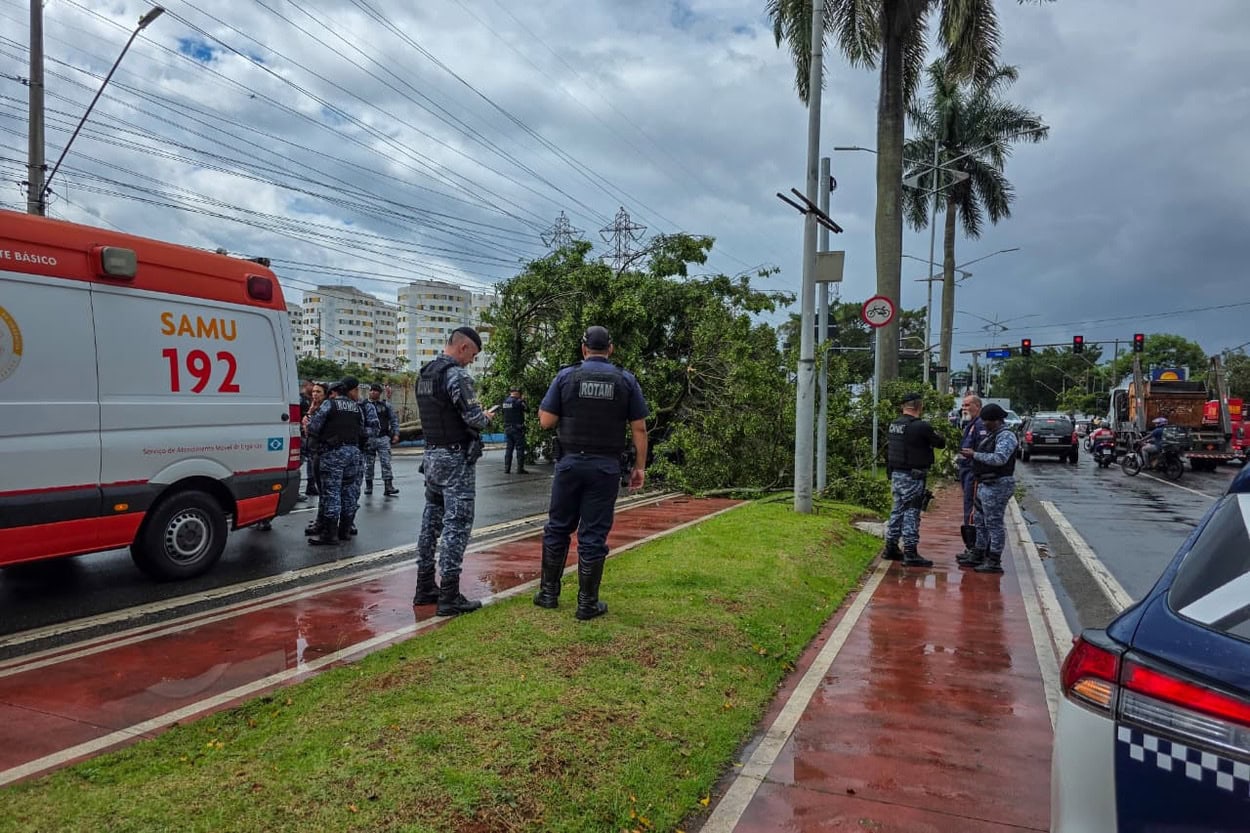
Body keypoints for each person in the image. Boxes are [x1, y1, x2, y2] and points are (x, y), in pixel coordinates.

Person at [532, 325, 648, 620]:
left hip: (569, 464)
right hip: (605, 467)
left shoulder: (566, 377)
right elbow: (639, 428)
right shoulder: (625, 381)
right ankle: (587, 603)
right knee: (593, 533)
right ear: (611, 349)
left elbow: (545, 421)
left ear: (583, 349)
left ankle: (548, 594)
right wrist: (639, 468)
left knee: (558, 526)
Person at [413, 327, 497, 616]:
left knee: (431, 522)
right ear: (462, 347)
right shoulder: (456, 375)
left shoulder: (425, 374)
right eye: (472, 355)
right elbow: (473, 418)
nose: (471, 361)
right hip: (454, 458)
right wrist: (485, 417)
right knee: (456, 524)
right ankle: (449, 594)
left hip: (432, 456)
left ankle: (424, 586)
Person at [305, 377, 377, 546]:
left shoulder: (330, 404)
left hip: (334, 453)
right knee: (349, 493)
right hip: (354, 453)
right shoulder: (357, 407)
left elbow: (314, 427)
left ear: (334, 393)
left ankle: (330, 534)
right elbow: (362, 430)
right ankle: (344, 531)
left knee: (332, 493)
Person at [883, 392, 947, 567]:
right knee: (912, 512)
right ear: (919, 406)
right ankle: (910, 551)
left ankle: (891, 546)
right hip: (913, 476)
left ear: (903, 406)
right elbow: (940, 443)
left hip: (896, 474)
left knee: (897, 510)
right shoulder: (921, 426)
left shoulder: (894, 424)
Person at [959, 403, 1020, 574]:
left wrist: (975, 454)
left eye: (987, 421)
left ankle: (994, 559)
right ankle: (979, 552)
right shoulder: (994, 435)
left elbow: (999, 458)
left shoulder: (1006, 436)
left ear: (997, 420)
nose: (984, 424)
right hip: (985, 483)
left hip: (998, 484)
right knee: (980, 520)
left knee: (993, 523)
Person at [955, 394, 989, 562]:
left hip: (973, 472)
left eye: (967, 405)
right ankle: (972, 547)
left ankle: (975, 548)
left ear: (977, 406)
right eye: (963, 405)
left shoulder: (980, 424)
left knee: (972, 510)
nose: (964, 408)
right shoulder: (971, 424)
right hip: (966, 471)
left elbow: (982, 450)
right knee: (968, 507)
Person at [302, 382, 329, 537]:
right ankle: (321, 519)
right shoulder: (314, 408)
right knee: (321, 489)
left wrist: (309, 416)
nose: (315, 394)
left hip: (323, 453)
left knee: (325, 490)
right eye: (313, 392)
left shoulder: (325, 409)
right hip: (314, 451)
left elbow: (311, 428)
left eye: (318, 391)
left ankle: (324, 522)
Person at [365, 383, 401, 497]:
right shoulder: (364, 405)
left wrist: (396, 434)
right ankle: (368, 485)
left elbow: (394, 420)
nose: (373, 392)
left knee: (386, 462)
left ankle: (388, 486)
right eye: (371, 390)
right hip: (369, 438)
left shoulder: (386, 406)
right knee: (369, 464)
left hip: (383, 437)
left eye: (375, 391)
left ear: (380, 393)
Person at [501, 386, 529, 474]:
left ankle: (507, 468)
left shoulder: (505, 402)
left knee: (509, 449)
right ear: (517, 393)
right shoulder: (519, 402)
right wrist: (523, 400)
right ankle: (520, 469)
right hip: (517, 428)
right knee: (520, 448)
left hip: (507, 428)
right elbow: (527, 409)